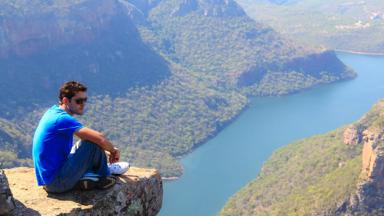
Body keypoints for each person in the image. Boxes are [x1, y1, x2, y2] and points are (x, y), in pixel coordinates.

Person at [32, 81, 127, 193]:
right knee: (92, 144)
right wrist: (113, 150)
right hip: (56, 182)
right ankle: (104, 174)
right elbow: (100, 138)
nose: (83, 104)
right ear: (65, 101)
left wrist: (102, 150)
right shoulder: (61, 119)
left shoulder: (53, 112)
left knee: (89, 142)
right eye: (79, 101)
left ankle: (87, 176)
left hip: (50, 179)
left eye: (84, 100)